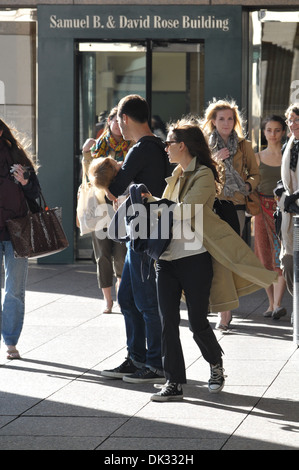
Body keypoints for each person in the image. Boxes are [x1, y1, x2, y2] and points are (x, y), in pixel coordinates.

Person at [146, 119, 277, 402]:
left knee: (197, 322)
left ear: (182, 146)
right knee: (167, 321)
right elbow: (167, 211)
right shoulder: (176, 176)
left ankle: (215, 365)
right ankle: (174, 381)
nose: (166, 148)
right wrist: (149, 201)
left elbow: (184, 211)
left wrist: (154, 205)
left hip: (195, 259)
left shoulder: (203, 175)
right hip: (167, 259)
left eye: (169, 143)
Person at [101, 94, 171, 384]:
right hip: (140, 230)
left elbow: (116, 186)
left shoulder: (141, 148)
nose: (119, 125)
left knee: (144, 301)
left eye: (119, 120)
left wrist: (107, 171)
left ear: (124, 119)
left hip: (145, 232)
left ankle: (154, 363)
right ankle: (136, 358)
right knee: (128, 298)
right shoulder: (154, 147)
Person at [201, 98, 260, 332]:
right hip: (210, 204)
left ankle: (225, 312)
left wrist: (247, 186)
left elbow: (256, 174)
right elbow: (196, 171)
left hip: (235, 206)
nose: (226, 123)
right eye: (221, 118)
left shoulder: (244, 145)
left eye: (230, 119)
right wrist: (215, 160)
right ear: (213, 122)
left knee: (226, 258)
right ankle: (215, 303)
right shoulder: (205, 145)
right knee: (210, 257)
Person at [82, 106, 129, 313]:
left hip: (123, 207)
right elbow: (89, 176)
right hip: (100, 207)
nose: (118, 124)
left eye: (121, 120)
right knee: (102, 255)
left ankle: (122, 297)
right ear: (109, 121)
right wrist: (85, 153)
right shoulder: (98, 146)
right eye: (115, 120)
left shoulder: (133, 145)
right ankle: (108, 300)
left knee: (121, 255)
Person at [0, 118, 40, 359]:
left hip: (18, 228)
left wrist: (25, 181)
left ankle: (11, 341)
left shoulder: (16, 154)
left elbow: (35, 191)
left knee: (14, 289)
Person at [254, 116, 287, 319]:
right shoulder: (256, 157)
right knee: (264, 258)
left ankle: (277, 304)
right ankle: (270, 304)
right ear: (264, 132)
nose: (273, 134)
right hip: (261, 211)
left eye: (276, 130)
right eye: (269, 130)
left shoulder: (290, 155)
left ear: (283, 132)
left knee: (281, 256)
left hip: (284, 211)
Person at [275, 103, 299, 298]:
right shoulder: (288, 145)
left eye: (297, 119)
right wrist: (281, 188)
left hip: (294, 205)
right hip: (289, 216)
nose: (293, 124)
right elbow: (286, 177)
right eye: (290, 120)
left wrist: (295, 196)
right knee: (288, 263)